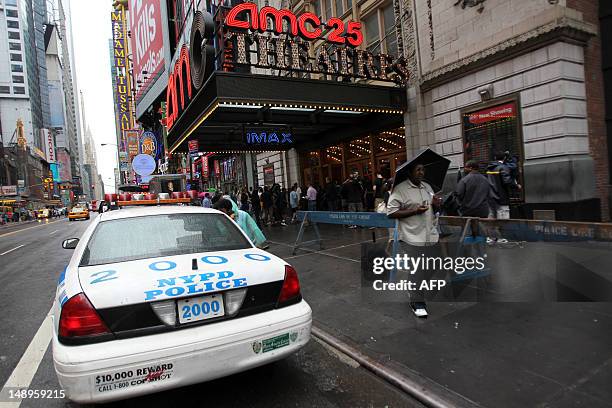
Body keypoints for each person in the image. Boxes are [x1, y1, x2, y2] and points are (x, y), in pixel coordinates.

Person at [387, 162, 442, 318]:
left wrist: (436, 205)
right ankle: (417, 301)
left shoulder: (427, 188)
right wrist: (414, 211)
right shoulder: (400, 190)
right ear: (410, 173)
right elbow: (391, 213)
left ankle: (413, 287)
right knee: (418, 269)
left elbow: (434, 210)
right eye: (418, 169)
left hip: (430, 235)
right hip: (411, 236)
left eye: (423, 169)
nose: (421, 172)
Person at [486, 152, 521, 220]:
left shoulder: (489, 168)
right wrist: (517, 186)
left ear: (495, 158)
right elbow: (507, 181)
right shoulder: (503, 168)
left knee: (491, 218)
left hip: (490, 198)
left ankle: (491, 231)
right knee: (503, 220)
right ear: (504, 158)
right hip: (501, 198)